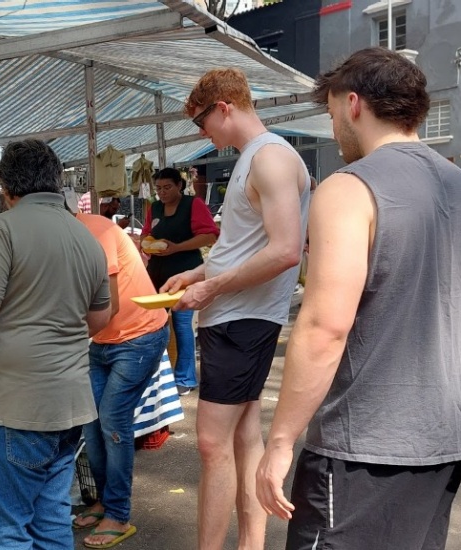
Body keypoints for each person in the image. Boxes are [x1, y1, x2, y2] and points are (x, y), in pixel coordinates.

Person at [256, 47, 461, 550]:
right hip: (444, 437)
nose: (334, 132)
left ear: (353, 105)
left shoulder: (349, 188)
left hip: (365, 445)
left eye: (330, 116)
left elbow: (326, 325)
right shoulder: (457, 184)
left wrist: (280, 442)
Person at [160, 68, 310, 550]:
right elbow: (246, 246)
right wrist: (198, 275)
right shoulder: (257, 158)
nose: (205, 136)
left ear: (225, 107)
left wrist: (212, 287)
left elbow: (286, 249)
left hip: (243, 321)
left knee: (210, 444)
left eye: (204, 123)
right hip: (236, 318)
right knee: (243, 437)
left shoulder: (270, 158)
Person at [0, 139, 112, 550]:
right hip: (70, 408)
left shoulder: (3, 230)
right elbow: (100, 318)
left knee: (4, 532)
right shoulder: (87, 237)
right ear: (56, 183)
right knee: (52, 520)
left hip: (13, 410)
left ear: (7, 189)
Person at [71, 205, 170, 548]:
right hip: (104, 340)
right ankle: (104, 500)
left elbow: (107, 306)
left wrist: (62, 340)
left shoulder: (95, 233)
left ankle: (119, 515)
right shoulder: (62, 239)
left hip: (139, 336)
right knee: (91, 418)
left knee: (113, 419)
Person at [142, 167, 219, 395]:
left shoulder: (192, 205)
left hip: (186, 273)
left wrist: (177, 247)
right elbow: (147, 232)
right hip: (157, 274)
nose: (162, 193)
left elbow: (209, 235)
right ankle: (156, 375)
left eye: (167, 187)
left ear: (179, 186)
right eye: (158, 189)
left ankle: (185, 378)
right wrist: (147, 243)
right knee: (154, 323)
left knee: (182, 324)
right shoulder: (154, 207)